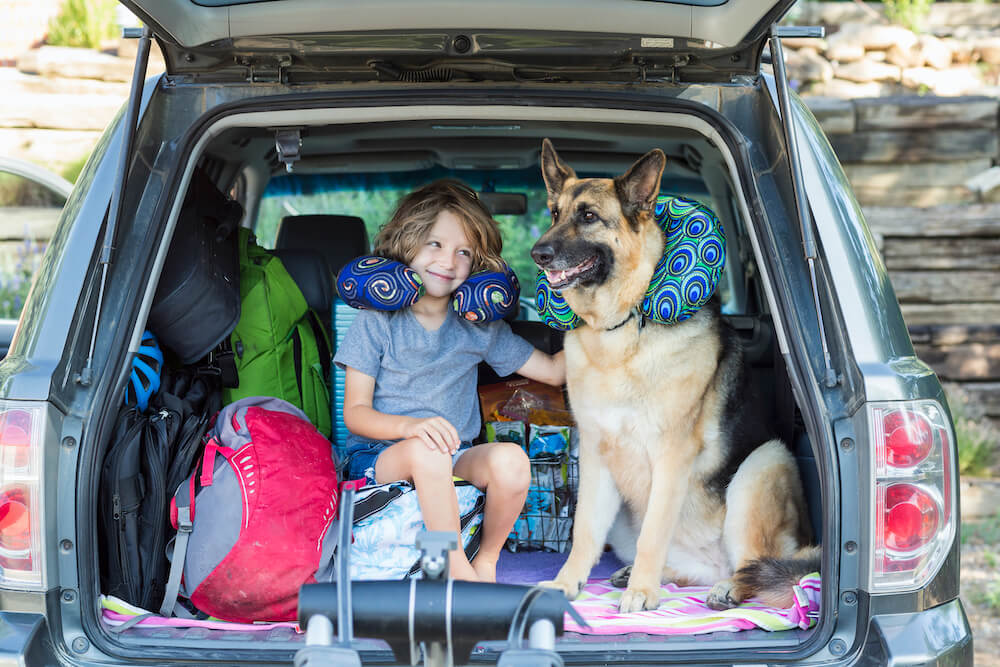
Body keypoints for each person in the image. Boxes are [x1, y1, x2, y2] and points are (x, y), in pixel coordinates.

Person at [334, 179, 566, 582]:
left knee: (511, 462)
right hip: (380, 459)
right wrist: (412, 428)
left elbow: (555, 372)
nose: (449, 261)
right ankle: (455, 567)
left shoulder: (480, 328)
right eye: (435, 245)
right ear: (408, 243)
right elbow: (355, 414)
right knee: (427, 450)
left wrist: (604, 324)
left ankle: (486, 560)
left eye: (464, 253)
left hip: (453, 456)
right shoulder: (376, 322)